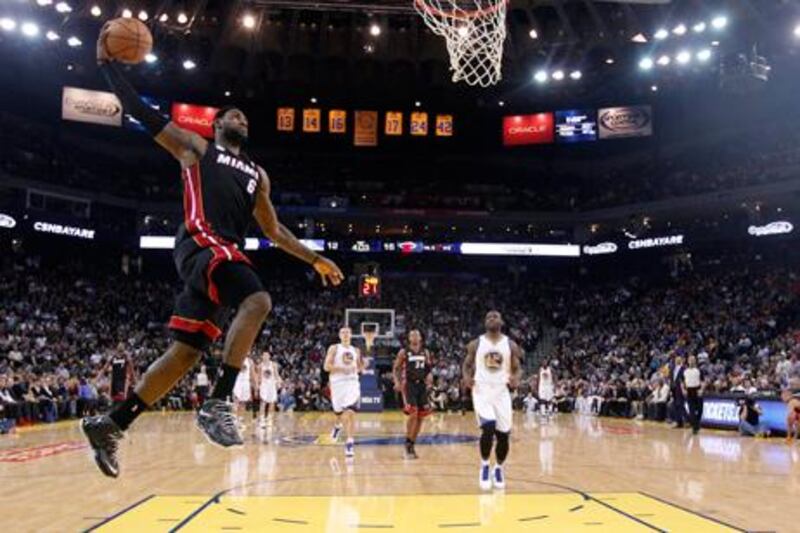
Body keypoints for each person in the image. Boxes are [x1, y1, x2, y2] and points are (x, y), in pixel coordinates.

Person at [80, 26, 344, 478]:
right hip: (204, 245)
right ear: (217, 124)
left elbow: (274, 230)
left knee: (185, 354)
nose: (239, 117)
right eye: (231, 115)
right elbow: (144, 113)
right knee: (259, 299)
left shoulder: (258, 175)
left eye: (243, 116)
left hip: (218, 260)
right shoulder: (196, 148)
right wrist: (107, 66)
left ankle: (112, 424)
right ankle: (219, 400)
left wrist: (314, 258)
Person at [462, 311, 523, 491]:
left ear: (501, 321)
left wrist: (516, 378)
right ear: (484, 322)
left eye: (495, 317)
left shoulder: (510, 344)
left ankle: (499, 468)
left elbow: (518, 368)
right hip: (482, 390)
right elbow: (466, 365)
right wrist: (466, 377)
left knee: (503, 435)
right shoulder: (476, 343)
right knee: (488, 427)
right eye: (488, 317)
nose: (492, 319)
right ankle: (484, 465)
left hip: (501, 392)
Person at [392, 329, 433, 459]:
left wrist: (430, 378)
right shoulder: (404, 352)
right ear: (409, 338)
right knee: (413, 413)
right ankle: (407, 442)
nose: (415, 337)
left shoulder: (425, 352)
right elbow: (396, 368)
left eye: (417, 335)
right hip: (409, 385)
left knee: (421, 416)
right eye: (412, 335)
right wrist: (397, 382)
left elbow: (428, 369)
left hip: (421, 385)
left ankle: (411, 443)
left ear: (421, 338)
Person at [324, 327, 364, 457]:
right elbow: (326, 366)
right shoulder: (334, 348)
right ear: (339, 335)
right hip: (337, 384)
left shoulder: (356, 350)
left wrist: (361, 367)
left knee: (350, 412)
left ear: (351, 335)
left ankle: (350, 443)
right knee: (339, 413)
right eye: (343, 332)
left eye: (348, 332)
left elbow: (359, 367)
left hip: (352, 383)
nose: (346, 334)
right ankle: (337, 427)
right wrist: (341, 369)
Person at [258, 350, 282, 428]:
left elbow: (276, 374)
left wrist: (278, 382)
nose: (265, 357)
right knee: (263, 402)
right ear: (262, 357)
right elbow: (258, 376)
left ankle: (269, 420)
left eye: (266, 355)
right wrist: (258, 385)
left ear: (269, 356)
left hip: (271, 385)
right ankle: (262, 420)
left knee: (272, 403)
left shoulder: (274, 365)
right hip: (264, 385)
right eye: (263, 355)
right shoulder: (260, 366)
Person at [232, 354, 257, 426]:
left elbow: (252, 374)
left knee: (243, 402)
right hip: (238, 381)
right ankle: (234, 419)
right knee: (236, 401)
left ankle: (240, 419)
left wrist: (255, 385)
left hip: (246, 382)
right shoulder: (237, 358)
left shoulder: (250, 361)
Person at [684, 355, 703, 434]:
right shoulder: (685, 371)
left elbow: (703, 380)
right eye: (690, 360)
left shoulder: (698, 370)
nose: (691, 361)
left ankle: (696, 424)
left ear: (695, 361)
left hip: (697, 390)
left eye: (693, 360)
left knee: (700, 409)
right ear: (688, 361)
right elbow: (683, 381)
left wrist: (701, 389)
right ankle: (695, 427)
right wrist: (684, 389)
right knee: (691, 410)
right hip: (689, 390)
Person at [670, 356, 687, 428]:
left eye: (679, 360)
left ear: (681, 360)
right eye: (676, 359)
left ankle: (687, 420)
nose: (677, 361)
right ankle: (678, 422)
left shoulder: (684, 369)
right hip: (673, 388)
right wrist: (670, 389)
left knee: (680, 404)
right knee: (676, 405)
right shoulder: (673, 368)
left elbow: (684, 379)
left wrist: (684, 389)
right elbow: (671, 379)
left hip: (680, 388)